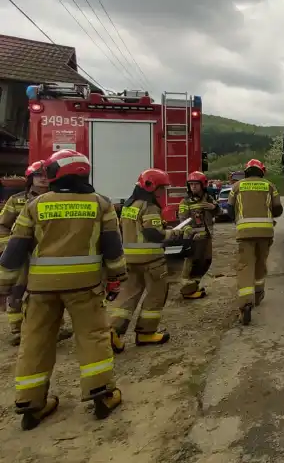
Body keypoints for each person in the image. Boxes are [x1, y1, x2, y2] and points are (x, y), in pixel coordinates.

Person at [0, 149, 127, 430]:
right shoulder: (101, 204)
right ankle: (101, 395)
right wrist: (117, 276)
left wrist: (5, 286)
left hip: (40, 289)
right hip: (86, 286)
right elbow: (112, 247)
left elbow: (15, 250)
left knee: (35, 342)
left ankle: (31, 404)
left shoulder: (35, 206)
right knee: (93, 337)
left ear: (57, 173)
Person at [109, 168, 185, 352]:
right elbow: (153, 233)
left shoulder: (129, 206)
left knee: (128, 295)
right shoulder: (149, 206)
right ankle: (146, 332)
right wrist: (173, 233)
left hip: (130, 260)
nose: (162, 192)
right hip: (151, 260)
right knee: (156, 295)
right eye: (161, 188)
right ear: (151, 187)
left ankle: (113, 331)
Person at [1, 161, 73, 346]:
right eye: (38, 175)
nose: (42, 179)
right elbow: (3, 226)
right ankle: (18, 330)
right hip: (22, 254)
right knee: (18, 290)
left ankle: (56, 328)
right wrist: (8, 247)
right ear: (30, 178)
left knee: (50, 291)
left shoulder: (57, 198)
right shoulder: (16, 201)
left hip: (47, 254)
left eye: (45, 175)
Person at [226, 159, 282, 325]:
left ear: (246, 171)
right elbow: (278, 209)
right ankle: (258, 293)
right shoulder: (270, 186)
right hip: (265, 233)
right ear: (261, 171)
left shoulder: (237, 187)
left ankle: (246, 304)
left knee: (245, 266)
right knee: (260, 262)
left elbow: (229, 209)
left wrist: (239, 218)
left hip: (244, 233)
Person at [177, 171, 219, 300]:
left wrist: (213, 207)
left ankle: (193, 286)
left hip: (206, 237)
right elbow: (183, 221)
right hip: (193, 239)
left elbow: (218, 212)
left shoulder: (209, 198)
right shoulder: (185, 202)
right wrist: (190, 233)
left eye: (196, 184)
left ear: (203, 185)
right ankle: (186, 289)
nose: (193, 187)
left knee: (206, 262)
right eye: (191, 184)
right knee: (191, 264)